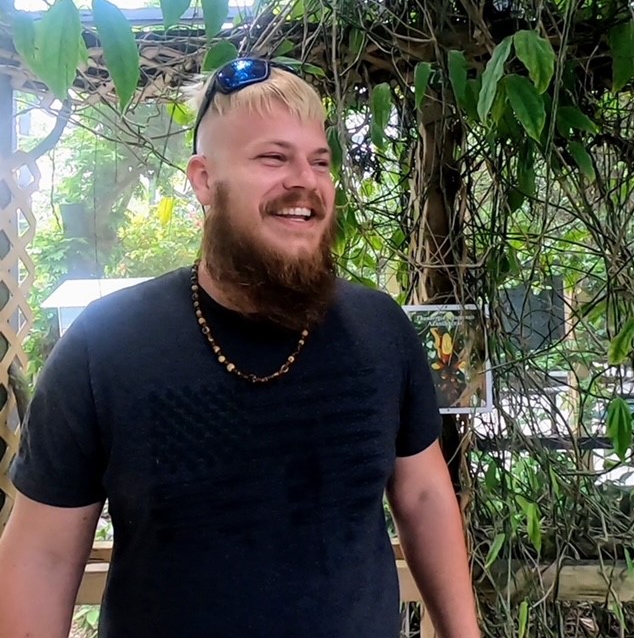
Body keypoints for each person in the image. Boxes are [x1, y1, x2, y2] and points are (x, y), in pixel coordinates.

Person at [0, 57, 480, 638]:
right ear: (203, 178)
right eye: (273, 157)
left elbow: (425, 495)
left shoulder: (381, 329)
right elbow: (42, 557)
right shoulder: (104, 347)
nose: (305, 179)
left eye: (320, 161)